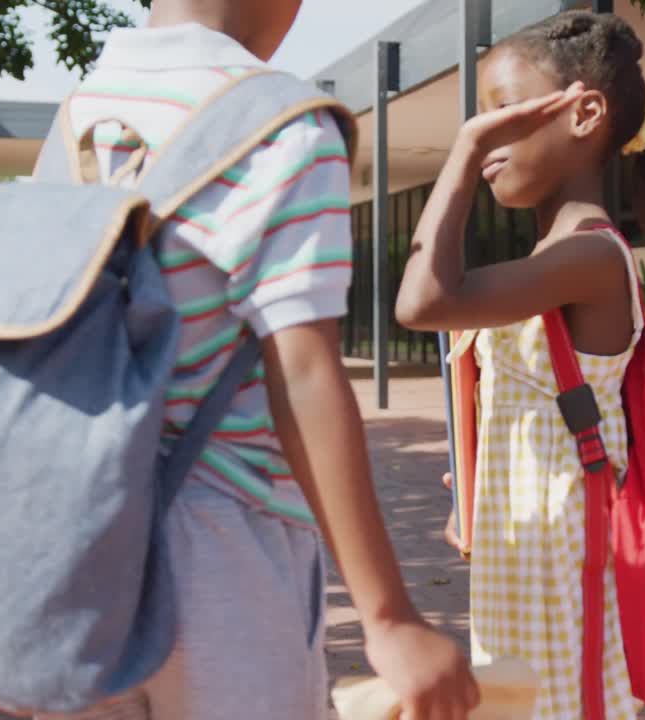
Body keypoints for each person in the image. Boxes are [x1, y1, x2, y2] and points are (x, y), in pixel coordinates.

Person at [43, 1, 478, 718]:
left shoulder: (74, 124)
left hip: (74, 536)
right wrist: (389, 616)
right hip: (225, 546)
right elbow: (302, 371)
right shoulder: (281, 123)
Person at [395, 10, 645, 720]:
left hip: (566, 564)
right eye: (480, 120)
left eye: (501, 113)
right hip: (521, 551)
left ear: (585, 112)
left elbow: (422, 299)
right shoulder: (550, 261)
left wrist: (463, 152)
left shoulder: (591, 255)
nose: (488, 135)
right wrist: (479, 481)